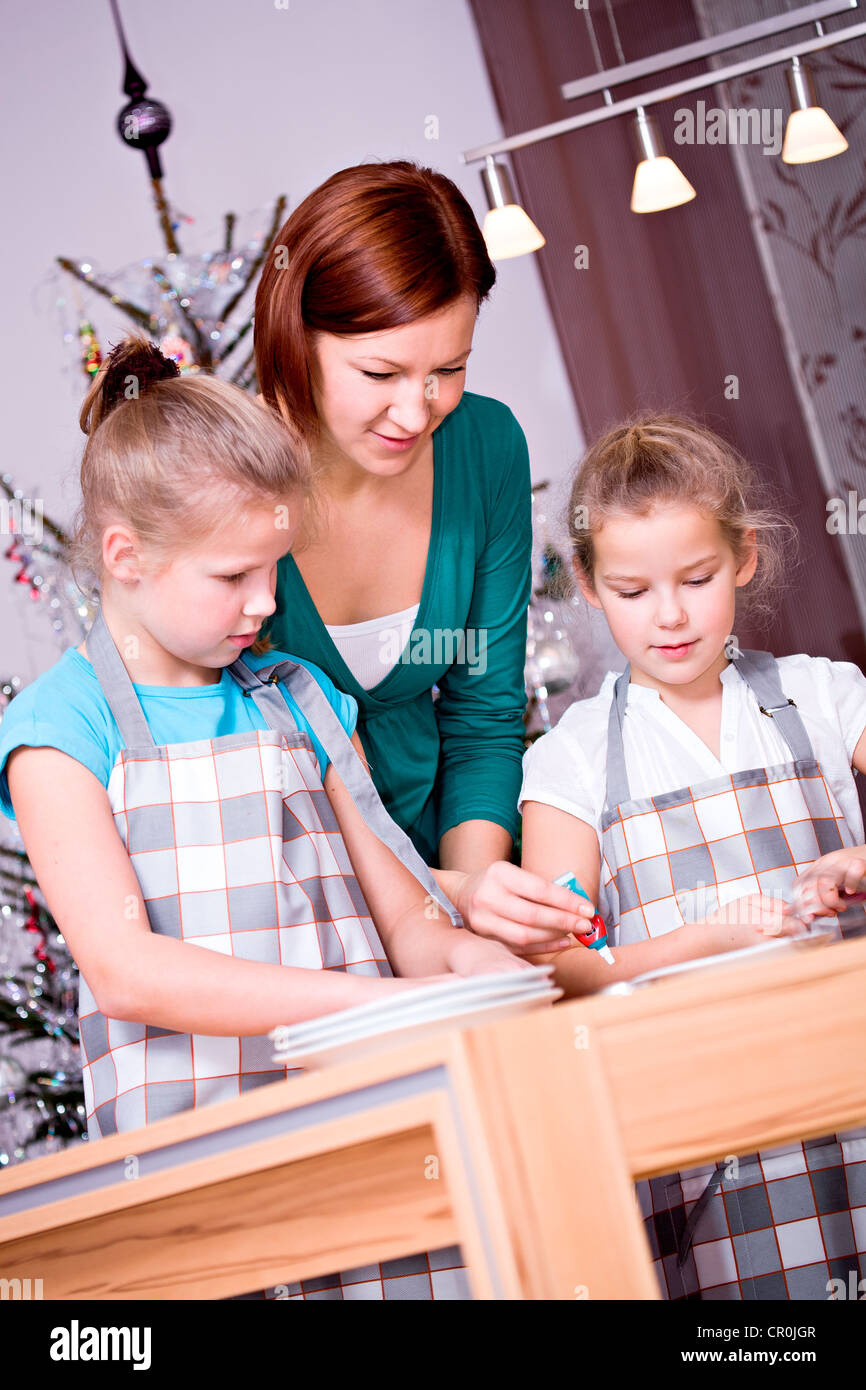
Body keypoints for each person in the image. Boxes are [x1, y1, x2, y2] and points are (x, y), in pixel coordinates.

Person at [0, 336, 533, 1301]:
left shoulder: (301, 698)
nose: (265, 603)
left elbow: (405, 914)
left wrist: (470, 969)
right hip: (207, 1180)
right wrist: (370, 1011)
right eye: (233, 576)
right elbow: (128, 971)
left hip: (375, 1132)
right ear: (125, 555)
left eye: (276, 568)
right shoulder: (58, 728)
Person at [518, 414, 866, 1300]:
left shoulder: (823, 696)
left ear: (744, 558)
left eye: (697, 579)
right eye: (632, 591)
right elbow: (565, 970)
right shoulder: (571, 758)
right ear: (591, 588)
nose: (668, 616)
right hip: (706, 1140)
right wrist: (706, 943)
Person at [253, 158, 594, 958]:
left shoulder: (485, 447)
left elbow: (482, 714)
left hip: (447, 865)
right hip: (295, 904)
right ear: (297, 337)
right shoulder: (221, 474)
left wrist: (473, 896)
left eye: (449, 369)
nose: (417, 411)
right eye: (381, 372)